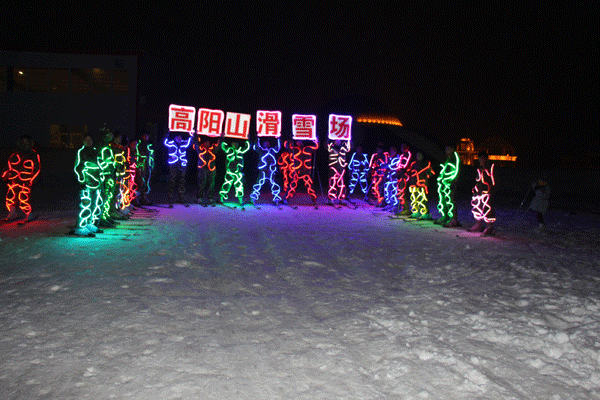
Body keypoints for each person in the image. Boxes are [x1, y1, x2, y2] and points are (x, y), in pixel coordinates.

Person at [2, 135, 41, 222]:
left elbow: (36, 169)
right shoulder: (14, 155)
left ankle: (29, 214)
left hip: (25, 181)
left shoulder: (33, 155)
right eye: (23, 142)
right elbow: (8, 167)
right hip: (14, 181)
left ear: (31, 144)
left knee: (24, 198)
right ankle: (12, 212)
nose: (25, 144)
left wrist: (32, 180)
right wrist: (5, 175)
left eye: (27, 142)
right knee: (10, 197)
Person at [73, 134, 102, 236]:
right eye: (86, 140)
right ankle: (80, 226)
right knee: (85, 204)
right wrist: (81, 180)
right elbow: (77, 167)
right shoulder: (81, 152)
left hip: (96, 182)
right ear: (83, 141)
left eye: (90, 140)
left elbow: (99, 165)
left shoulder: (95, 151)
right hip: (86, 182)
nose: (88, 142)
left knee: (95, 204)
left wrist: (101, 178)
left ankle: (89, 223)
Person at [469, 151, 496, 235]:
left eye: (482, 158)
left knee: (487, 209)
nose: (481, 160)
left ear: (486, 158)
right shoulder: (480, 168)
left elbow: (492, 180)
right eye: (480, 158)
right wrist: (475, 189)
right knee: (478, 208)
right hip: (479, 192)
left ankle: (489, 227)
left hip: (487, 192)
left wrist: (489, 189)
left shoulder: (490, 167)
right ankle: (479, 225)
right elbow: (478, 180)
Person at [286, 140, 319, 207]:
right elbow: (288, 147)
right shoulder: (295, 149)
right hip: (297, 171)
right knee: (292, 185)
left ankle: (314, 200)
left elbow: (315, 148)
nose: (299, 143)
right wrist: (289, 139)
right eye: (298, 141)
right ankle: (286, 199)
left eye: (300, 141)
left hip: (305, 171)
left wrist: (316, 141)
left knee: (309, 186)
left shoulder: (307, 149)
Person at [435, 144, 461, 227]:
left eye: (448, 149)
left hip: (450, 184)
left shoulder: (455, 159)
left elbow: (457, 171)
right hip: (444, 183)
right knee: (444, 200)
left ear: (453, 149)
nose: (446, 151)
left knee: (451, 201)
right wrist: (440, 178)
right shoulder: (448, 159)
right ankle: (446, 217)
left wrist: (452, 180)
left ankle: (454, 219)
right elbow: (444, 170)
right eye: (446, 149)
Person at [164, 131, 192, 206]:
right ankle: (170, 198)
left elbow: (190, 141)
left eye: (180, 137)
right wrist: (167, 134)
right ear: (175, 137)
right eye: (178, 137)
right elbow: (165, 142)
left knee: (182, 181)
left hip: (182, 164)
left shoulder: (184, 143)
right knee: (172, 180)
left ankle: (181, 198)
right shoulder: (171, 143)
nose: (179, 138)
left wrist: (191, 134)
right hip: (173, 164)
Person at [251, 138, 281, 205]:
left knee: (273, 185)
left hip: (271, 171)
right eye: (265, 143)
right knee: (258, 184)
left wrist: (278, 139)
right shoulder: (262, 150)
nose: (267, 144)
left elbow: (278, 148)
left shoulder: (272, 150)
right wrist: (257, 139)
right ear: (263, 144)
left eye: (268, 143)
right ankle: (253, 198)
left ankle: (276, 199)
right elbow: (256, 147)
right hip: (263, 171)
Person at [220, 140, 250, 205]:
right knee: (227, 184)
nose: (235, 144)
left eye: (236, 143)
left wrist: (248, 140)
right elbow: (222, 146)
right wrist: (222, 138)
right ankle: (221, 198)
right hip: (230, 171)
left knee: (239, 186)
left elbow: (247, 147)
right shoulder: (229, 149)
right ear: (232, 143)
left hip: (238, 171)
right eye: (234, 143)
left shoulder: (240, 150)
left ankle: (240, 200)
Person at [408, 151, 435, 219]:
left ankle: (425, 213)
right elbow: (410, 172)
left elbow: (432, 172)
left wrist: (427, 175)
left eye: (420, 155)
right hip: (414, 183)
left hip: (422, 183)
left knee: (423, 199)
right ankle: (415, 212)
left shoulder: (426, 163)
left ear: (423, 156)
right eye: (417, 155)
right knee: (414, 198)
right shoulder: (414, 164)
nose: (418, 157)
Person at [194, 136, 220, 205]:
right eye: (206, 142)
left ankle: (210, 198)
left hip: (211, 168)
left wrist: (221, 138)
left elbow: (219, 146)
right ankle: (199, 198)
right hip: (203, 168)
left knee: (211, 184)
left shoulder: (212, 149)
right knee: (201, 183)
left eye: (208, 142)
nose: (207, 143)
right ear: (204, 143)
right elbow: (196, 144)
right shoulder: (201, 149)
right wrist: (195, 135)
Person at [327, 139, 350, 204]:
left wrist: (349, 139)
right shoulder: (331, 146)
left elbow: (349, 147)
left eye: (339, 140)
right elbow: (326, 146)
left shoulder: (344, 146)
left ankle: (341, 198)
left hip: (341, 167)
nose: (338, 141)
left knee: (341, 183)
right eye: (336, 140)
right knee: (332, 183)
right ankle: (331, 198)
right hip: (333, 167)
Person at [134, 132, 154, 206]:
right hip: (141, 166)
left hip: (147, 166)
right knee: (139, 182)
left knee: (146, 182)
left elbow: (151, 156)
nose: (146, 137)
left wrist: (152, 165)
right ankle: (136, 199)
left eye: (147, 135)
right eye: (144, 135)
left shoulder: (149, 144)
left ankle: (144, 198)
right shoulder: (138, 144)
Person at [396, 143, 413, 215]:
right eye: (402, 147)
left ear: (407, 147)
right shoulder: (402, 155)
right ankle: (403, 208)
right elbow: (398, 165)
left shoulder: (408, 154)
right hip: (400, 176)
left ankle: (406, 209)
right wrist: (398, 169)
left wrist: (402, 168)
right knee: (400, 191)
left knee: (403, 192)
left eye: (404, 147)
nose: (403, 148)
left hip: (405, 176)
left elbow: (406, 165)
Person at [383, 146, 401, 212]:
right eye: (390, 150)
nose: (391, 151)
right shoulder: (390, 158)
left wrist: (387, 166)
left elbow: (393, 166)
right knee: (388, 190)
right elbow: (387, 165)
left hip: (394, 177)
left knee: (394, 191)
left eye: (392, 150)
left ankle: (395, 205)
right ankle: (390, 204)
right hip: (389, 177)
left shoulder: (397, 158)